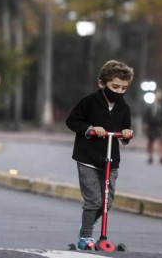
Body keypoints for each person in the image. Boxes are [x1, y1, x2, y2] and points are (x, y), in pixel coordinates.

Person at [65, 60, 134, 250]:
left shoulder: (123, 107)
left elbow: (125, 128)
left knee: (107, 202)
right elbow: (72, 121)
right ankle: (86, 236)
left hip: (111, 160)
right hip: (87, 158)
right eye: (115, 87)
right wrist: (90, 128)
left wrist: (127, 134)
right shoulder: (89, 102)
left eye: (123, 88)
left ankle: (89, 225)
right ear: (102, 84)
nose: (119, 92)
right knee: (94, 200)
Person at [143, 90, 162, 165]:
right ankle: (150, 156)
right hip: (151, 126)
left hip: (160, 126)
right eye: (157, 95)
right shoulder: (149, 106)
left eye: (160, 95)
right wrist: (145, 124)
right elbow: (145, 116)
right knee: (151, 142)